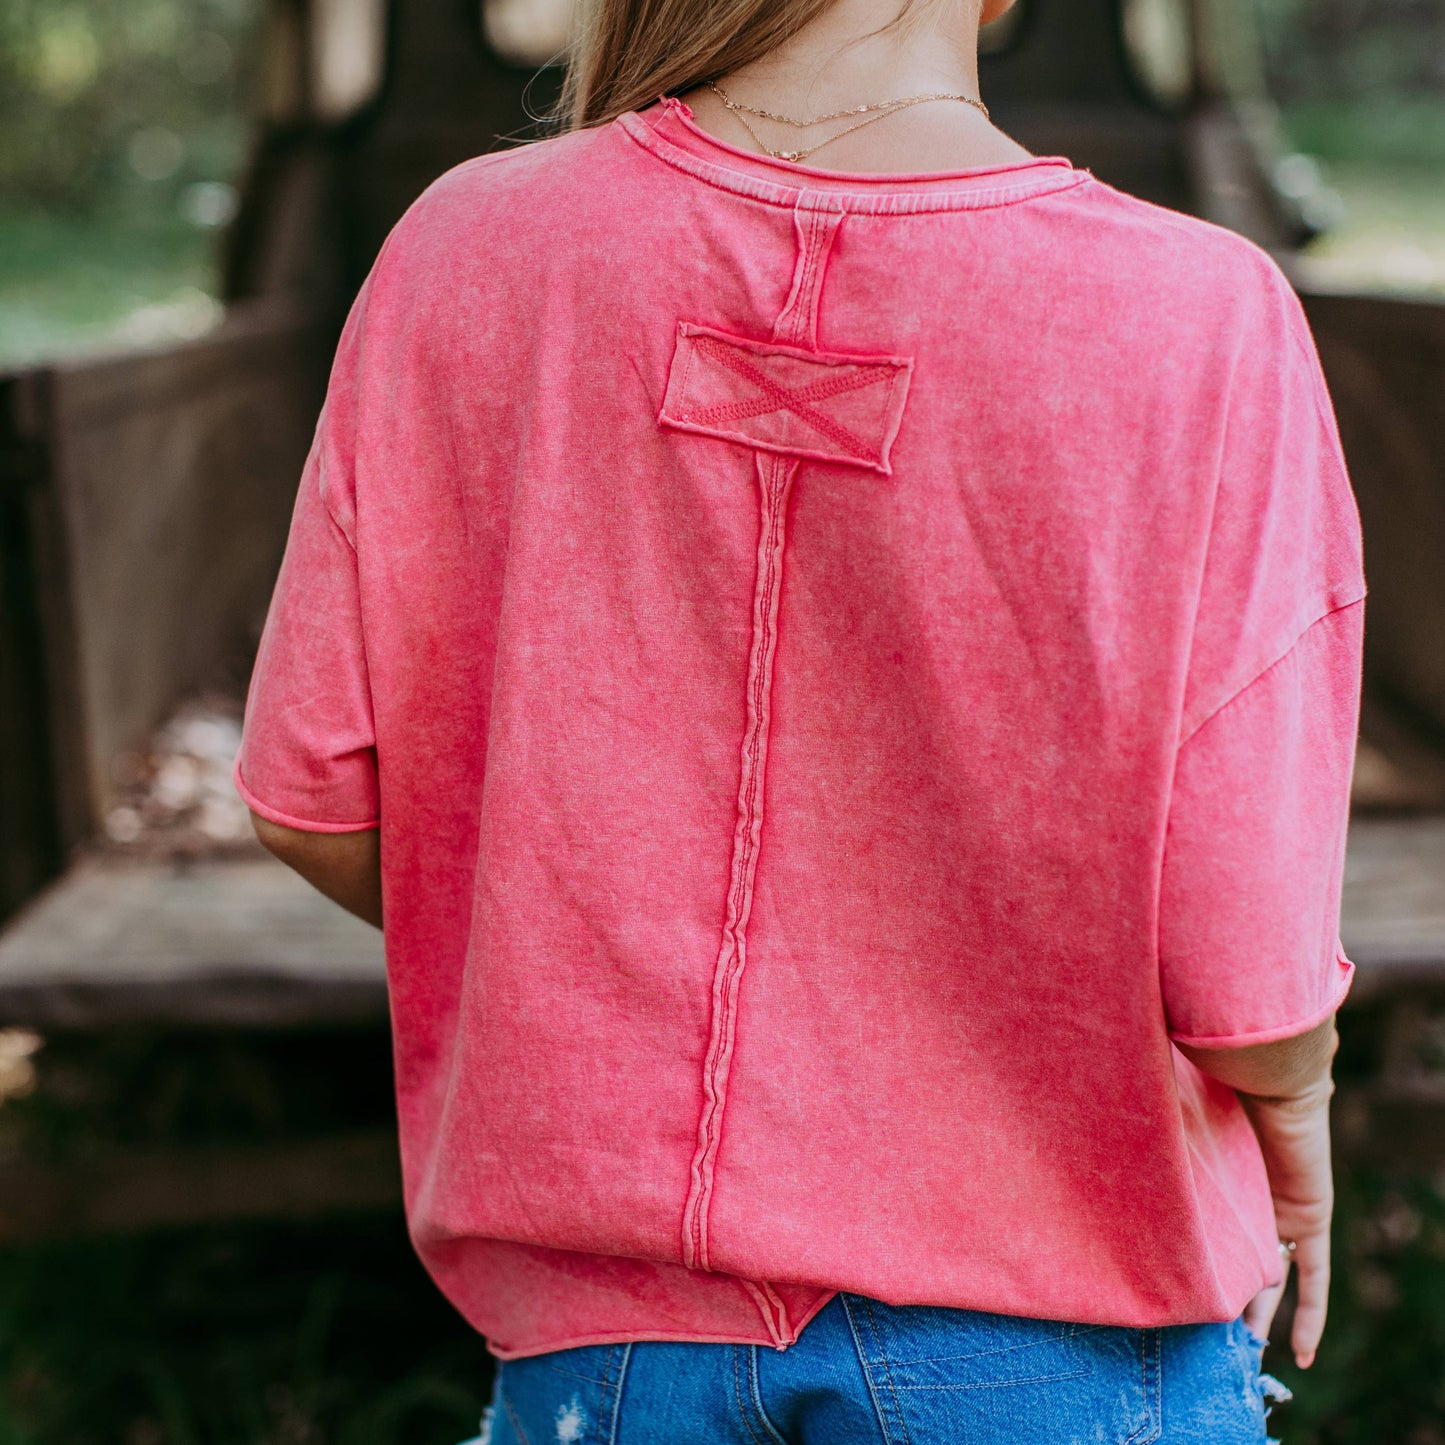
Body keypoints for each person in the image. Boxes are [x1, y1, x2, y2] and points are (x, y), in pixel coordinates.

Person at [235, 0, 1365, 1437]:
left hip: (609, 1355)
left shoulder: (467, 250)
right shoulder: (1197, 315)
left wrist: (592, 968)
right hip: (1052, 1336)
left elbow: (314, 794)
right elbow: (1242, 954)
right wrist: (1302, 1100)